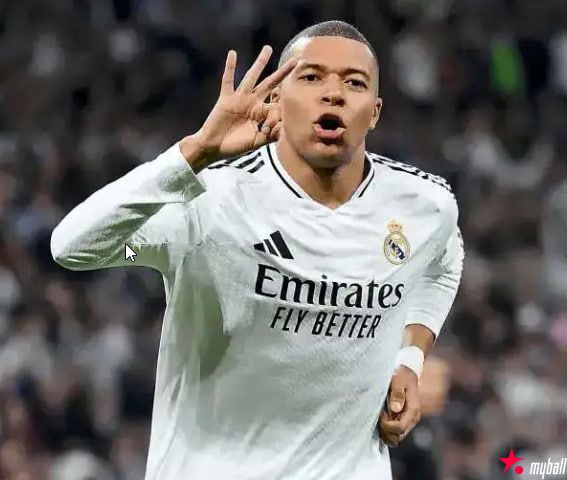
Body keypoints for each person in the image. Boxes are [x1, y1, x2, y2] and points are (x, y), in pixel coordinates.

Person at [50, 20, 463, 480]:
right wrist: (194, 153)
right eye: (312, 77)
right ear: (276, 99)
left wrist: (410, 359)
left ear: (375, 112)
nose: (334, 94)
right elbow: (75, 246)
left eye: (354, 83)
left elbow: (443, 265)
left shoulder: (423, 204)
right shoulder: (209, 203)